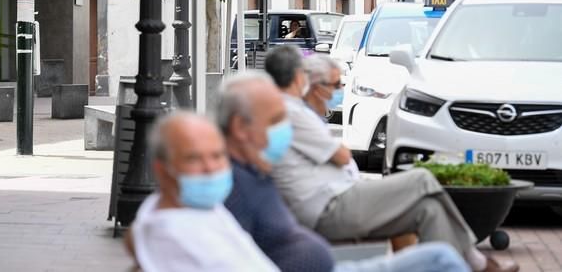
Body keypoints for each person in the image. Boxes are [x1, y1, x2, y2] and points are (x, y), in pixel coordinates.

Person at [264, 46, 518, 272]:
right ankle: (476, 262)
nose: (339, 89)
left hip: (337, 197)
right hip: (328, 207)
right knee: (421, 179)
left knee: (428, 209)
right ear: (299, 77)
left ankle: (465, 264)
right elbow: (341, 155)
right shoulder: (289, 111)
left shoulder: (290, 108)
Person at [218, 71, 470, 272]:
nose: (285, 129)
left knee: (431, 214)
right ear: (240, 127)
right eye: (275, 121)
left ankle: (472, 258)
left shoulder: (255, 171)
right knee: (423, 187)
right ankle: (476, 259)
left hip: (331, 232)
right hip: (330, 211)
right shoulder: (232, 185)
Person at [127, 111, 278, 272]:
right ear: (162, 170)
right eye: (193, 158)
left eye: (217, 156)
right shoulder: (176, 240)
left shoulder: (196, 207)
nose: (210, 168)